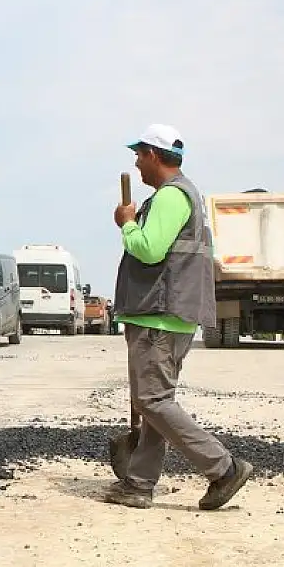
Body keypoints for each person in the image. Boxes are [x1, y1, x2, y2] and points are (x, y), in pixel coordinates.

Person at [104, 123, 253, 510]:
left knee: (152, 400)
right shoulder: (183, 195)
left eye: (139, 155)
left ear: (154, 155)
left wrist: (127, 224)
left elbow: (150, 249)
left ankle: (223, 468)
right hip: (166, 316)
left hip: (160, 316)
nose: (136, 164)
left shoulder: (171, 197)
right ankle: (138, 484)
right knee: (155, 403)